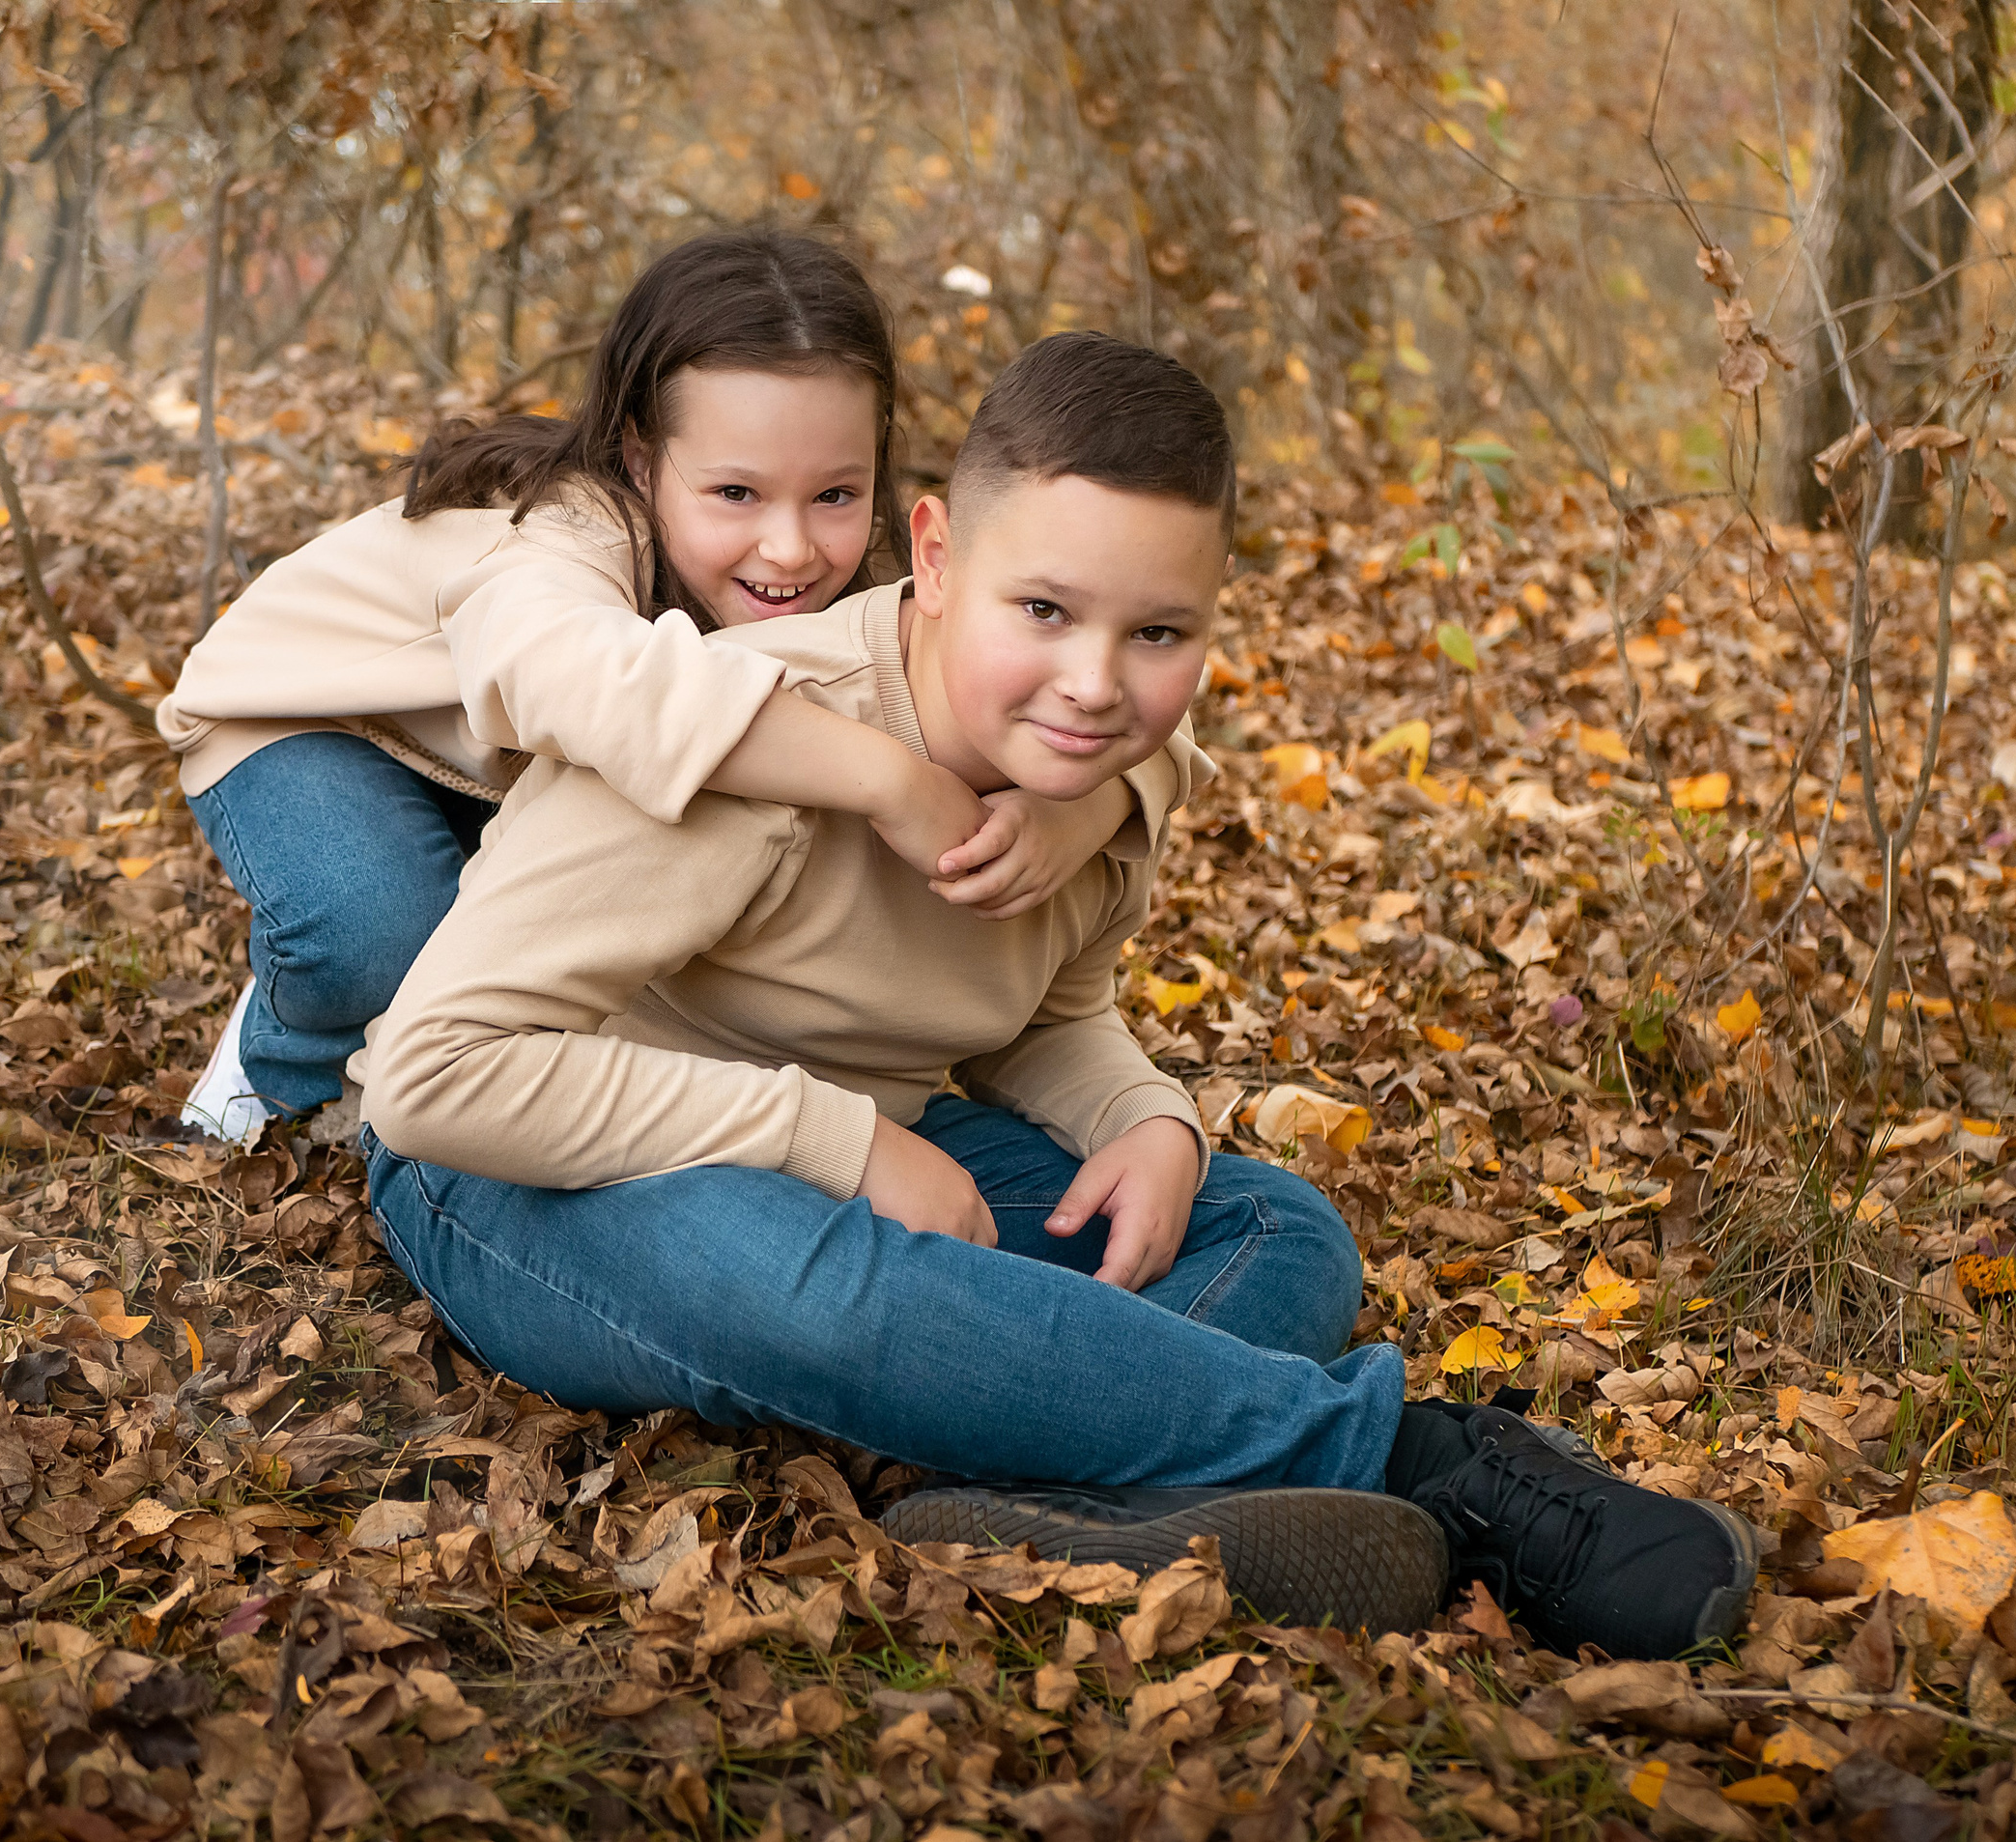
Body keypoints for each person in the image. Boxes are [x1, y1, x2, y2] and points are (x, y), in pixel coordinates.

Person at [356, 332, 1760, 1658]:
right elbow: (439, 1076)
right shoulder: (752, 740)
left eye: (1158, 631)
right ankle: (1415, 1461)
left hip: (870, 1143)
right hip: (523, 1173)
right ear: (938, 551)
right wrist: (838, 1145)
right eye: (1044, 610)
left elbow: (1038, 1012)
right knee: (802, 1275)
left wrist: (1142, 1116)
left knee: (1276, 1229)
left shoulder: (1082, 788)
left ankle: (1098, 1490)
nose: (1096, 685)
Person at [156, 229, 1200, 1143]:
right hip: (314, 722)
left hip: (498, 770)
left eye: (835, 492)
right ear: (642, 460)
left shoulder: (887, 591)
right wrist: (888, 778)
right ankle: (281, 1058)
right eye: (736, 491)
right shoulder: (566, 539)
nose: (789, 546)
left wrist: (1095, 803)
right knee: (380, 926)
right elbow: (574, 681)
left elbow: (1099, 692)